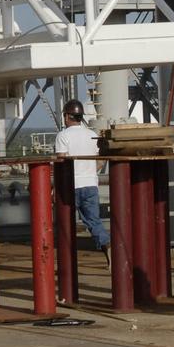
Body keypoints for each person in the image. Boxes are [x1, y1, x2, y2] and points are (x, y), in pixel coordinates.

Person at [54, 99, 110, 255]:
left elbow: (62, 163)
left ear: (67, 116)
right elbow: (100, 161)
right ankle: (107, 245)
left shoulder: (63, 136)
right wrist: (90, 171)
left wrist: (55, 188)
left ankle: (67, 257)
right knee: (94, 221)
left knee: (65, 222)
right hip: (91, 184)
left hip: (71, 186)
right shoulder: (91, 135)